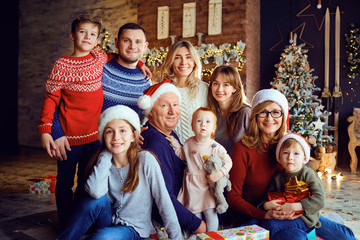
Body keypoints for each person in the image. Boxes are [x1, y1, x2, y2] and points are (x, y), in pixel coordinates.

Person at [37, 17, 150, 229]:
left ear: (98, 40)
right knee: (64, 183)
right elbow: (51, 99)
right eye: (82, 32)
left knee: (86, 183)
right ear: (72, 35)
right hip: (69, 137)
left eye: (92, 34)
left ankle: (82, 222)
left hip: (93, 137)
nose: (87, 37)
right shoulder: (62, 65)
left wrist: (141, 63)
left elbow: (126, 55)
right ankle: (66, 224)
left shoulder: (99, 57)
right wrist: (48, 131)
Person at [227, 89, 355, 240]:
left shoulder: (288, 146)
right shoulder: (242, 148)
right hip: (259, 214)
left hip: (297, 211)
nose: (269, 118)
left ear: (283, 115)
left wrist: (300, 207)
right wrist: (264, 213)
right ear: (255, 115)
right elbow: (233, 197)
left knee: (346, 237)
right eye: (263, 112)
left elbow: (309, 185)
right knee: (296, 237)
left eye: (276, 112)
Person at [58, 105, 182, 240]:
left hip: (134, 228)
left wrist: (176, 238)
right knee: (92, 201)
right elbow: (95, 192)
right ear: (103, 137)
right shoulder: (104, 161)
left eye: (123, 131)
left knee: (102, 237)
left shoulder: (146, 160)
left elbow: (164, 201)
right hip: (108, 221)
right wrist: (106, 154)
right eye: (109, 132)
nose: (116, 137)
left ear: (134, 136)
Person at [138, 80, 207, 234]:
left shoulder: (168, 134)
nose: (172, 111)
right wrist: (197, 224)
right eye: (164, 106)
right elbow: (164, 198)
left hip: (188, 203)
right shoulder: (156, 143)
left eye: (175, 105)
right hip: (171, 218)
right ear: (150, 112)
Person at [166, 107, 232, 232]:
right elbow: (182, 154)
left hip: (208, 184)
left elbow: (229, 162)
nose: (203, 124)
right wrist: (174, 143)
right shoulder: (189, 142)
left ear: (213, 128)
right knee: (194, 211)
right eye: (199, 121)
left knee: (210, 212)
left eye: (208, 122)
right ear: (192, 126)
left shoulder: (215, 147)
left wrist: (218, 174)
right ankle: (198, 234)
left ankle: (212, 234)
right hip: (192, 183)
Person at [261, 133, 326, 239]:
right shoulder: (277, 177)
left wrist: (294, 206)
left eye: (296, 153)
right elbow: (267, 197)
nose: (290, 157)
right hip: (283, 217)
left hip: (304, 219)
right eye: (285, 153)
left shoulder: (308, 174)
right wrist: (267, 205)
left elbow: (320, 200)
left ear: (304, 157)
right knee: (271, 226)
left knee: (269, 226)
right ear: (280, 157)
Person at [155, 40, 208, 144]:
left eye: (188, 57)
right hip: (168, 151)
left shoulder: (204, 89)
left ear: (194, 62)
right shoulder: (161, 89)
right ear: (170, 62)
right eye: (177, 57)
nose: (183, 62)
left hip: (197, 152)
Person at [207, 65, 251, 154]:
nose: (219, 89)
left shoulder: (245, 113)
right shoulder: (210, 113)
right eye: (216, 83)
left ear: (234, 88)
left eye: (226, 85)